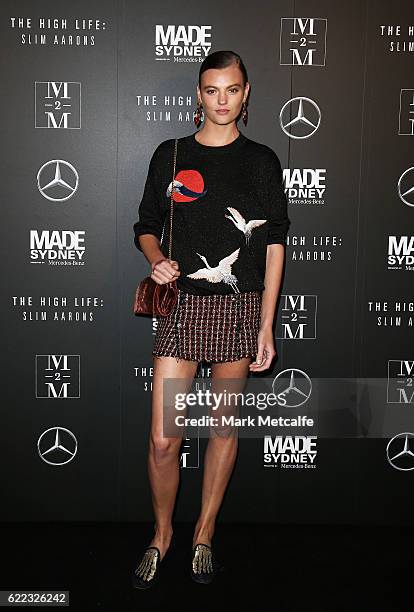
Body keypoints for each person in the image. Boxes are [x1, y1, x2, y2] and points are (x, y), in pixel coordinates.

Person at [131, 50, 290, 588]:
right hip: (182, 304)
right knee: (162, 438)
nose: (222, 100)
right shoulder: (170, 154)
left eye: (233, 89)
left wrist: (267, 324)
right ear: (198, 94)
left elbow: (273, 245)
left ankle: (203, 533)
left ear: (246, 95)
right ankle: (162, 535)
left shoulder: (263, 161)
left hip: (239, 307)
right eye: (212, 90)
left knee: (222, 428)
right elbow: (146, 225)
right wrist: (157, 261)